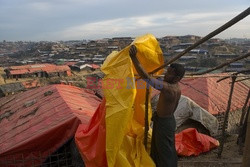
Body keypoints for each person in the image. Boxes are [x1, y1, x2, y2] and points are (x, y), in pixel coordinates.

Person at [129, 45, 185, 167]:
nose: (165, 75)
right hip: (167, 120)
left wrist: (134, 58)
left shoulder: (168, 88)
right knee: (162, 148)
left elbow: (147, 78)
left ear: (177, 78)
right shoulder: (176, 88)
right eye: (167, 71)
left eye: (169, 73)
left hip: (164, 123)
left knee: (164, 150)